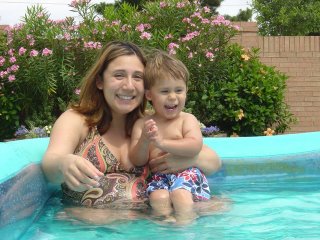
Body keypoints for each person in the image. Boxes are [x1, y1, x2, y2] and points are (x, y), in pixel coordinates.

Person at [41, 41, 221, 222]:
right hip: (91, 227)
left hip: (151, 223)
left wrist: (188, 159)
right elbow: (50, 165)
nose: (129, 86)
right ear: (100, 81)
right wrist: (63, 163)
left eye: (137, 77)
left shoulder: (150, 123)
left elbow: (214, 163)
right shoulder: (78, 120)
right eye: (119, 75)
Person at [129, 50, 210, 223]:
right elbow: (137, 160)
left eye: (179, 90)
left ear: (186, 91)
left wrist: (162, 143)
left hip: (188, 173)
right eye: (165, 91)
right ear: (149, 95)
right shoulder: (142, 124)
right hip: (159, 177)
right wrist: (144, 140)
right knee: (158, 198)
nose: (173, 97)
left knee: (180, 195)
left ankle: (186, 226)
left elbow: (195, 146)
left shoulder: (187, 120)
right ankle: (166, 223)